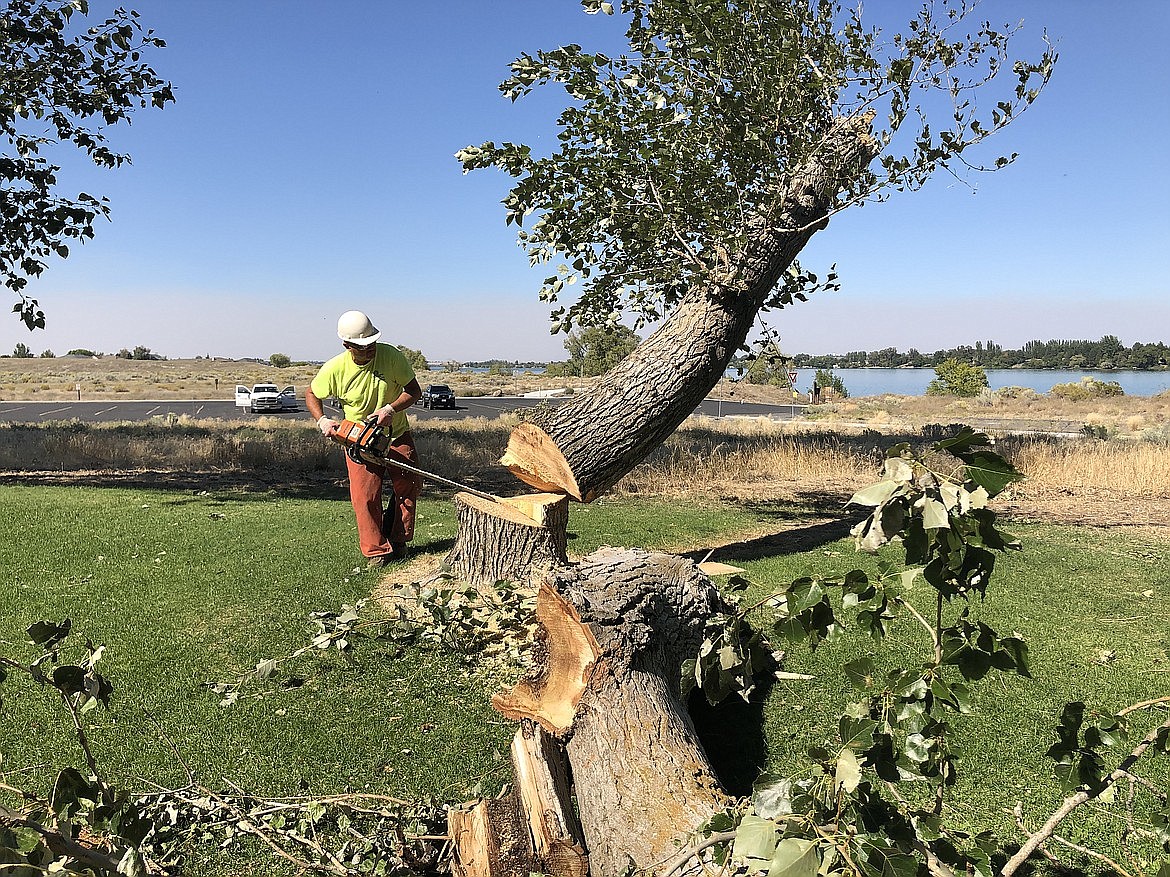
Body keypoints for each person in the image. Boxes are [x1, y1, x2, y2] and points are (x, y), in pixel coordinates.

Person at [305, 310, 423, 567]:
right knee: (365, 496)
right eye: (362, 347)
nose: (370, 349)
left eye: (371, 343)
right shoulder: (335, 368)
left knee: (409, 485)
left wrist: (390, 409)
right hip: (359, 441)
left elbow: (414, 391)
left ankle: (398, 539)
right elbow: (312, 394)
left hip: (396, 433)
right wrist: (322, 420)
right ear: (347, 345)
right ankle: (376, 551)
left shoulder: (391, 355)